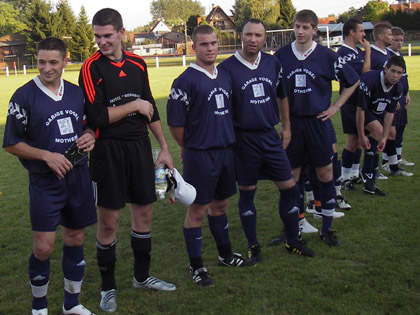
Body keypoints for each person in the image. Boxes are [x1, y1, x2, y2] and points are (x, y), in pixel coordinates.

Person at [78, 8, 175, 313]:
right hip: (107, 151)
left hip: (138, 148)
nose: (101, 42)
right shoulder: (91, 68)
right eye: (97, 36)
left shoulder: (137, 63)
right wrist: (134, 104)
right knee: (109, 221)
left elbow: (151, 111)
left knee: (143, 216)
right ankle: (108, 289)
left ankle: (142, 277)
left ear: (121, 33)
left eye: (107, 35)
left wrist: (164, 147)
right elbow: (96, 117)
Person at [3, 37, 96, 315]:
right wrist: (46, 155)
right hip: (45, 182)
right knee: (43, 247)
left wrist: (90, 136)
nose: (46, 68)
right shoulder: (23, 95)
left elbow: (89, 127)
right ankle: (39, 307)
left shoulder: (77, 93)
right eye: (42, 62)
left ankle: (72, 304)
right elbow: (10, 143)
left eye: (53, 62)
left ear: (66, 61)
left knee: (76, 238)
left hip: (78, 177)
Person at [219, 19, 316, 257]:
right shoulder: (227, 68)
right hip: (243, 140)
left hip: (270, 137)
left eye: (258, 35)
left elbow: (282, 96)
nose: (253, 39)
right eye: (249, 34)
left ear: (265, 38)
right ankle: (253, 246)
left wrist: (286, 126)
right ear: (241, 36)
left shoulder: (273, 62)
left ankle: (292, 240)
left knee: (289, 188)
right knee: (247, 192)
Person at [167, 25, 254, 288]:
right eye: (204, 44)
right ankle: (197, 267)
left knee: (220, 206)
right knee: (198, 209)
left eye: (214, 43)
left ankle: (225, 255)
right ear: (194, 47)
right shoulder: (185, 80)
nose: (211, 48)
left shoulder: (224, 75)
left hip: (226, 152)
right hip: (201, 156)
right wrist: (191, 146)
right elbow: (176, 125)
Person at [275, 10, 360, 246]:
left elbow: (352, 81)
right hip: (292, 124)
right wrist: (283, 122)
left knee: (325, 175)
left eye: (306, 27)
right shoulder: (281, 55)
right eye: (297, 27)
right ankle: (294, 227)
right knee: (291, 180)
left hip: (318, 122)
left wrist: (336, 107)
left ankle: (327, 228)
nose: (300, 32)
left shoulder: (327, 56)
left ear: (315, 29)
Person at [357, 56, 405, 195]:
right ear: (385, 69)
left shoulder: (398, 88)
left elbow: (390, 114)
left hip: (375, 111)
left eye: (399, 73)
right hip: (356, 108)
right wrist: (361, 134)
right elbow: (360, 109)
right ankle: (367, 175)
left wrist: (384, 138)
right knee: (368, 136)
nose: (395, 76)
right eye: (393, 71)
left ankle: (369, 177)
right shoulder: (370, 80)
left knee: (379, 140)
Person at [338, 18, 371, 190]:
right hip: (350, 101)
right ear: (352, 32)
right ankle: (344, 178)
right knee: (352, 139)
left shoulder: (357, 51)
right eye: (361, 31)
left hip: (360, 101)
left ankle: (354, 174)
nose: (364, 34)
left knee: (359, 138)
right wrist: (369, 51)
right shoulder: (343, 53)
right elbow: (363, 73)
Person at [382, 27, 415, 172]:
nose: (399, 42)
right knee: (391, 129)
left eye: (401, 40)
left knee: (401, 127)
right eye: (396, 39)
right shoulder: (388, 57)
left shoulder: (400, 56)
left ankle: (398, 158)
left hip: (402, 97)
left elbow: (404, 78)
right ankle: (386, 161)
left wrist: (407, 94)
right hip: (393, 97)